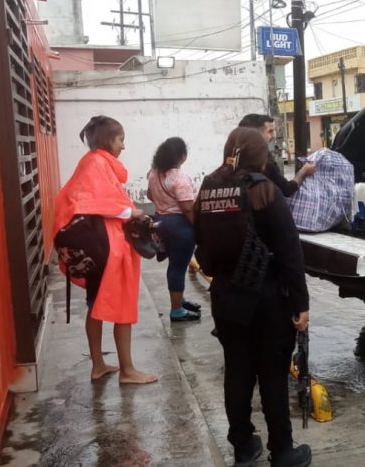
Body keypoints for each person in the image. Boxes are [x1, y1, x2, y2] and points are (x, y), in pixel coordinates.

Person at [194, 127, 312, 467]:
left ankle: (243, 447)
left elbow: (200, 242)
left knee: (238, 371)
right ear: (259, 155)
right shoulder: (264, 191)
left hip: (227, 297)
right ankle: (283, 451)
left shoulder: (208, 189)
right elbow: (291, 252)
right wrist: (301, 305)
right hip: (269, 298)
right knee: (273, 374)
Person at [53, 115, 158, 384]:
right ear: (108, 140)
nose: (123, 145)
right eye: (120, 139)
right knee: (121, 305)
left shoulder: (91, 163)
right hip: (109, 249)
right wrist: (133, 212)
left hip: (98, 247)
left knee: (95, 304)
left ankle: (99, 365)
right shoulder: (97, 164)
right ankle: (128, 370)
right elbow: (98, 201)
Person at [147, 137, 201, 322]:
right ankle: (176, 310)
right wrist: (199, 227)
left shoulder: (153, 173)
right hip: (180, 225)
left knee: (175, 263)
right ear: (182, 156)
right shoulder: (180, 177)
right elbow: (187, 207)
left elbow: (148, 194)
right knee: (178, 266)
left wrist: (163, 204)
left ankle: (179, 299)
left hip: (161, 222)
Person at [238, 113, 316, 197]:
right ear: (255, 134)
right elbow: (287, 189)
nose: (273, 136)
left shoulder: (234, 156)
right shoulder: (262, 159)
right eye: (270, 131)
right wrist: (304, 171)